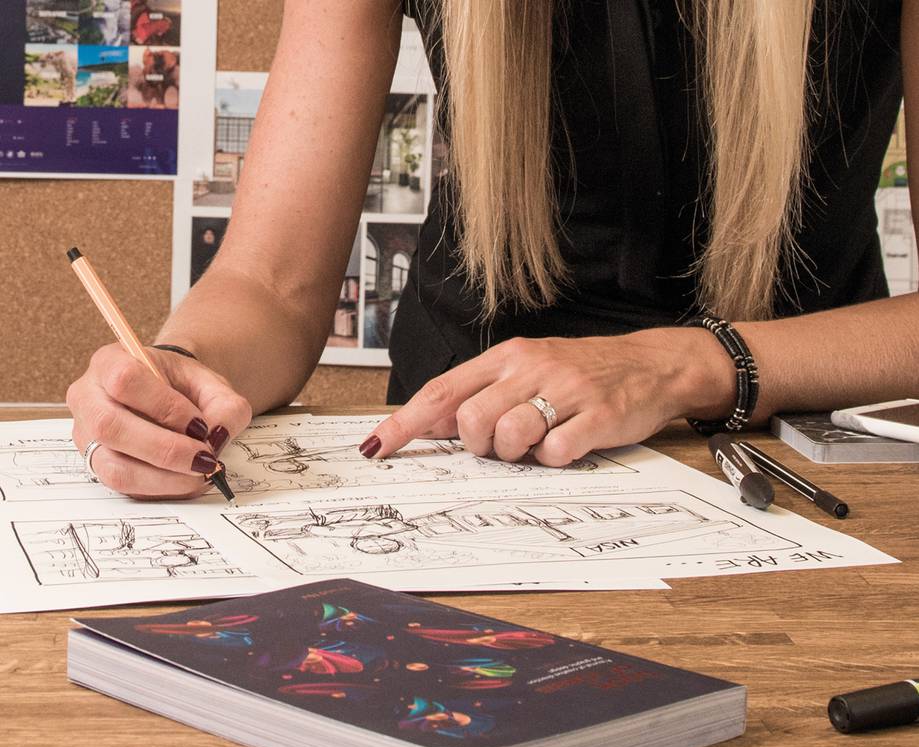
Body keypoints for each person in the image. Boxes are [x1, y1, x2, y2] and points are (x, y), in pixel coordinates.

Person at [66, 1, 917, 499]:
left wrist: (692, 365)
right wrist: (183, 367)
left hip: (800, 453)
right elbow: (271, 282)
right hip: (466, 455)